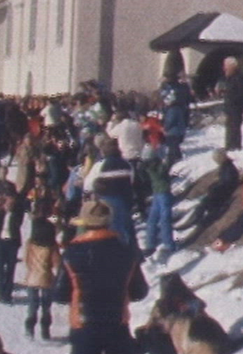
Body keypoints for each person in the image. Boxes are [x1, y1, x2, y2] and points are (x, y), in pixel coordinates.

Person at [53, 200, 149, 354]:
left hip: (83, 325)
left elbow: (59, 294)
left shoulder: (72, 253)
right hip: (117, 323)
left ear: (85, 222)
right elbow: (140, 291)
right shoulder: (126, 251)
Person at [85, 137, 135, 247]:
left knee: (112, 230)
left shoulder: (100, 165)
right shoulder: (126, 164)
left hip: (107, 202)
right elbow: (131, 181)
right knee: (126, 228)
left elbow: (88, 185)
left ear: (103, 151)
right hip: (125, 201)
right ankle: (132, 253)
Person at [173, 148, 239, 233]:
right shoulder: (226, 166)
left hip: (222, 195)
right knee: (201, 204)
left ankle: (195, 223)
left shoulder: (229, 169)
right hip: (220, 192)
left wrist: (214, 189)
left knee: (203, 205)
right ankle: (192, 221)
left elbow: (226, 184)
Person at [23, 217, 61, 340]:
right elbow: (57, 263)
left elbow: (25, 259)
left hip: (32, 277)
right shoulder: (52, 246)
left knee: (32, 305)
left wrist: (31, 269)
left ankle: (29, 328)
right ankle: (45, 330)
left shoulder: (30, 243)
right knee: (46, 306)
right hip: (47, 278)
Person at [0, 183, 24, 304]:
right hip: (0, 241)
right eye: (7, 198)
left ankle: (7, 294)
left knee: (10, 268)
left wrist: (12, 211)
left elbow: (19, 222)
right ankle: (0, 292)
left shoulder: (18, 210)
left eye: (11, 198)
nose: (8, 201)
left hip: (12, 242)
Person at [141, 146, 174, 259]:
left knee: (153, 219)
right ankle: (168, 244)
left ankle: (150, 244)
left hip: (157, 193)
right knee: (165, 219)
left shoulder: (146, 167)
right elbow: (164, 171)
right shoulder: (158, 165)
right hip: (163, 192)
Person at [159, 75, 192, 165]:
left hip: (173, 131)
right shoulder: (179, 107)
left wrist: (165, 128)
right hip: (178, 130)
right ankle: (177, 158)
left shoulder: (173, 109)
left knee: (172, 147)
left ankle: (173, 161)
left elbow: (170, 120)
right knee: (175, 147)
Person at [219, 57, 243, 151]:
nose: (224, 68)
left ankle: (234, 145)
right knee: (229, 126)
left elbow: (240, 92)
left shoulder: (238, 77)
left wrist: (231, 97)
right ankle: (229, 144)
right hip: (230, 105)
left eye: (226, 66)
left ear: (232, 66)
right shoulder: (229, 77)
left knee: (234, 126)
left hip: (236, 106)